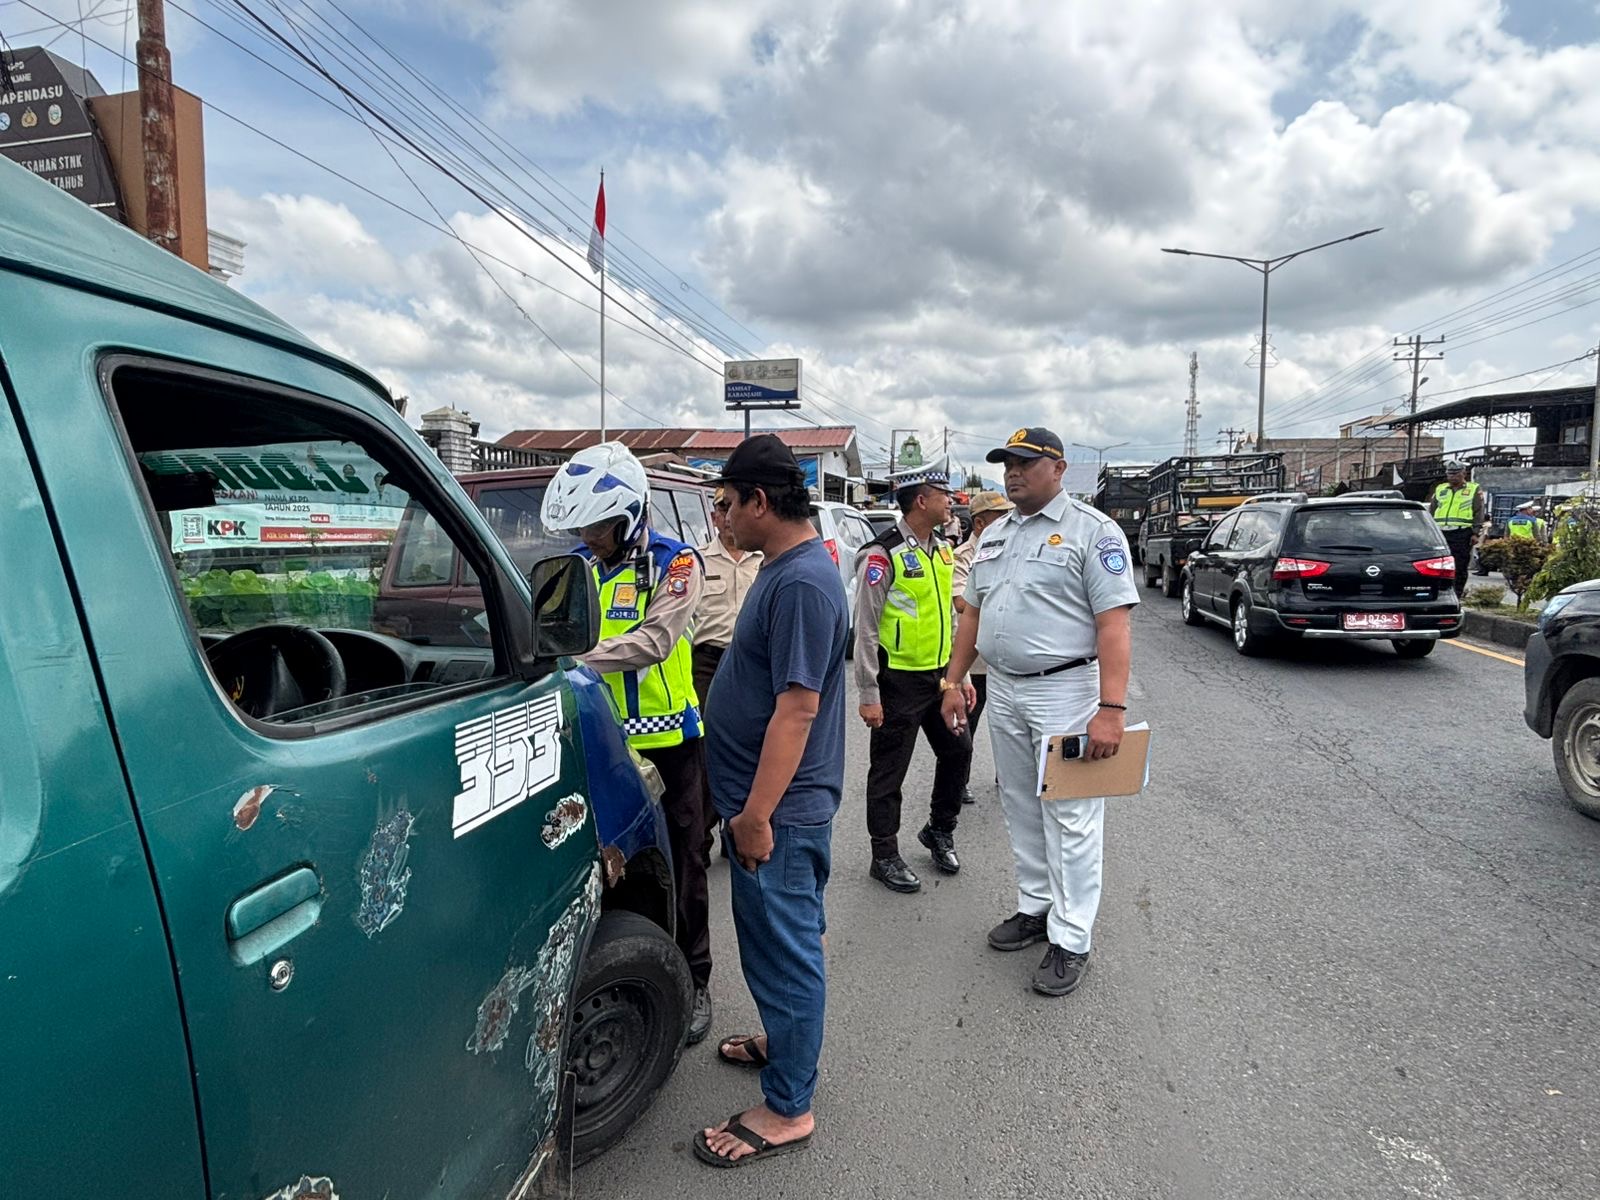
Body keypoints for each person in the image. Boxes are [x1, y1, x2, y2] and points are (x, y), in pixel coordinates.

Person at [939, 427, 1138, 998]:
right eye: (1007, 463)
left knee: (1071, 815)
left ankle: (1072, 937)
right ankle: (1036, 907)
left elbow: (1114, 625)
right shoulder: (996, 534)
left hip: (1067, 693)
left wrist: (1112, 708)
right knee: (1019, 802)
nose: (1013, 472)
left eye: (1026, 462)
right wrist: (954, 679)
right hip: (1004, 689)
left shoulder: (1092, 533)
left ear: (1060, 467)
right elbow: (972, 616)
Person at [696, 434, 849, 1169]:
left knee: (788, 954)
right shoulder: (783, 569)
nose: (721, 517)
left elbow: (797, 710)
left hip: (779, 815)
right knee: (783, 943)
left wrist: (755, 815)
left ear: (761, 501)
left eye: (726, 503)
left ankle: (789, 1106)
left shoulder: (799, 583)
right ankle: (782, 1041)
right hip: (773, 809)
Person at [541, 443, 717, 1044]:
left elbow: (656, 640)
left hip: (670, 740)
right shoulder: (576, 568)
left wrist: (575, 658)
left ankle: (695, 980)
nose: (588, 536)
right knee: (604, 860)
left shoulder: (677, 565)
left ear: (631, 516)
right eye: (581, 526)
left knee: (687, 860)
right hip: (599, 741)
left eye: (597, 525)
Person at [853, 457, 973, 892]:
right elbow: (865, 628)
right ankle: (883, 853)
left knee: (959, 751)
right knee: (889, 772)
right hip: (897, 682)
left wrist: (962, 678)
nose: (951, 503)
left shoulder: (943, 550)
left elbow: (952, 618)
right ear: (921, 501)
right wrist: (868, 691)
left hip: (940, 678)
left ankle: (940, 829)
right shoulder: (882, 554)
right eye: (944, 496)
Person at [951, 490, 1014, 804]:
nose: (1008, 522)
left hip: (1006, 658)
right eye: (1000, 517)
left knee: (1009, 724)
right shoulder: (964, 555)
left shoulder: (1013, 550)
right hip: (974, 662)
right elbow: (962, 603)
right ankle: (959, 782)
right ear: (979, 523)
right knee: (967, 726)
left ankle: (1009, 777)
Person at [694, 486, 764, 709]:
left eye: (732, 508)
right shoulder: (697, 560)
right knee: (707, 727)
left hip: (753, 659)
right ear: (714, 518)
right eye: (722, 510)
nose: (728, 517)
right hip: (708, 661)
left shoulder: (764, 560)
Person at [1427, 460, 1485, 596]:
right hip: (1440, 533)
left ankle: (1456, 593)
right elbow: (1432, 510)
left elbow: (1479, 511)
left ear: (1463, 473)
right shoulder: (1441, 489)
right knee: (1438, 564)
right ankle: (1440, 591)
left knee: (1459, 565)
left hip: (1461, 533)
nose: (1453, 477)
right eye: (1450, 474)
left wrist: (1475, 532)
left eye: (1456, 474)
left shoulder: (1473, 489)